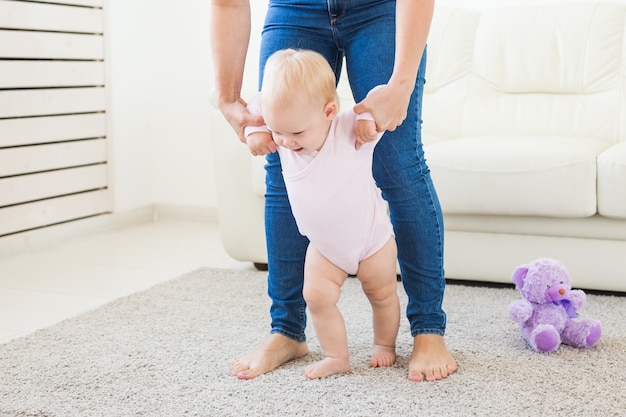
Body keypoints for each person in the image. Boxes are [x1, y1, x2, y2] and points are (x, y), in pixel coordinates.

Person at [210, 0, 458, 382]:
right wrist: (227, 99)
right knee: (281, 163)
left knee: (397, 160)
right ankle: (286, 331)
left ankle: (427, 329)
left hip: (380, 8)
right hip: (295, 8)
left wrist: (401, 85)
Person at [245, 48, 400, 379]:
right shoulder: (284, 134)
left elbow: (378, 97)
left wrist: (368, 121)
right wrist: (254, 130)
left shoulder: (347, 131)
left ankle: (385, 345)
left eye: (296, 133)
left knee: (383, 295)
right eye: (277, 130)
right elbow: (257, 104)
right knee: (315, 297)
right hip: (325, 248)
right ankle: (336, 356)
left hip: (372, 240)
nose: (285, 142)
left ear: (329, 111)